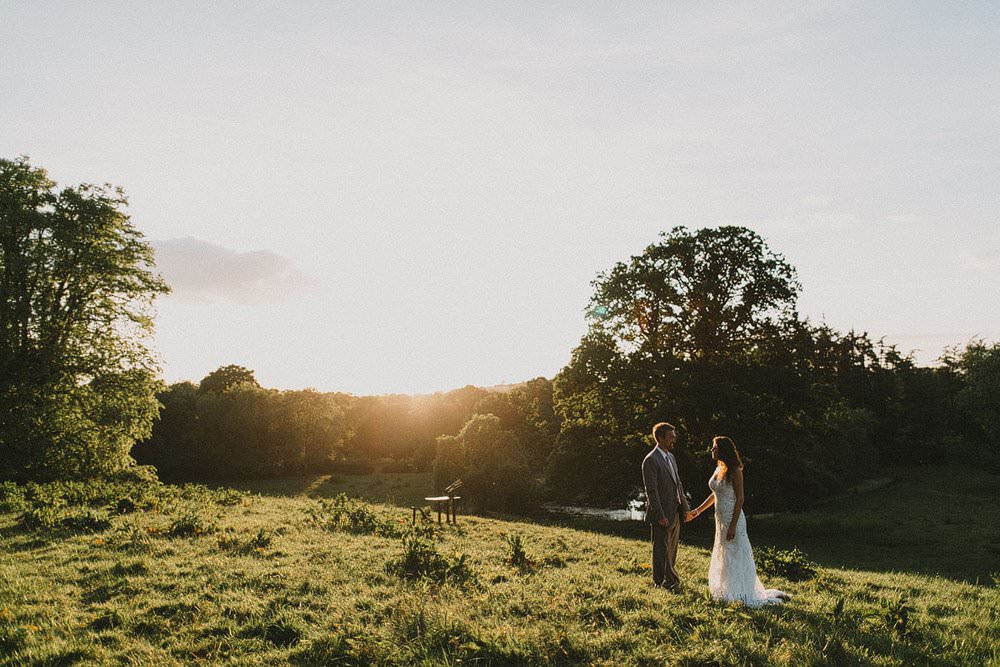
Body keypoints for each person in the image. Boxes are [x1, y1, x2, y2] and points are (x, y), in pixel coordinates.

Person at [687, 436, 791, 606]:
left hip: (732, 519)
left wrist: (733, 526)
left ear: (723, 450)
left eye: (714, 448)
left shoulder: (735, 470)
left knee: (736, 554)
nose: (712, 450)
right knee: (724, 554)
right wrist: (698, 511)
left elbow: (740, 499)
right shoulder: (719, 468)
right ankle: (726, 589)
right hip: (720, 520)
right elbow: (715, 495)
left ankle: (740, 592)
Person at [641, 422, 690, 590]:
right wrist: (660, 515)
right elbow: (651, 491)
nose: (674, 439)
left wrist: (685, 508)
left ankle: (668, 581)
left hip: (675, 511)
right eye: (671, 437)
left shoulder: (671, 457)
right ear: (660, 438)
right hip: (662, 514)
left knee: (672, 549)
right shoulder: (650, 460)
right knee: (661, 550)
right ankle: (662, 582)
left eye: (674, 436)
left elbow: (678, 484)